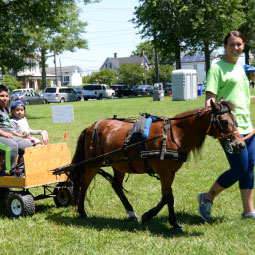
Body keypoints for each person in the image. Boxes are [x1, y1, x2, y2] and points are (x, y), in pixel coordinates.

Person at [198, 30, 255, 220]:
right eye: (231, 44)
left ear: (243, 45)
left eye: (239, 44)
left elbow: (242, 97)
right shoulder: (217, 68)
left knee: (249, 169)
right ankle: (207, 198)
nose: (235, 48)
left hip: (248, 127)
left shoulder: (241, 69)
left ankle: (248, 211)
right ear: (225, 46)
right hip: (230, 129)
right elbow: (210, 101)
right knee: (239, 168)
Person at [0, 85, 33, 177]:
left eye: (6, 96)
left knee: (27, 145)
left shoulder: (4, 110)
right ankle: (7, 172)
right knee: (11, 146)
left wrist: (19, 135)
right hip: (2, 137)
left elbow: (9, 127)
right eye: (2, 96)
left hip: (8, 136)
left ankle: (19, 171)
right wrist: (4, 133)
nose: (5, 98)